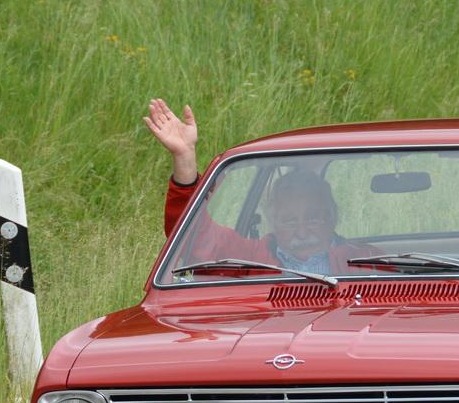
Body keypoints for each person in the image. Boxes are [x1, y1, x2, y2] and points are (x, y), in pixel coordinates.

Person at [145, 98, 375, 274]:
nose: (302, 231)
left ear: (332, 216)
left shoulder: (369, 261)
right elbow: (192, 237)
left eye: (312, 218)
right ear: (273, 221)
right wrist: (185, 157)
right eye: (289, 220)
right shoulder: (247, 258)